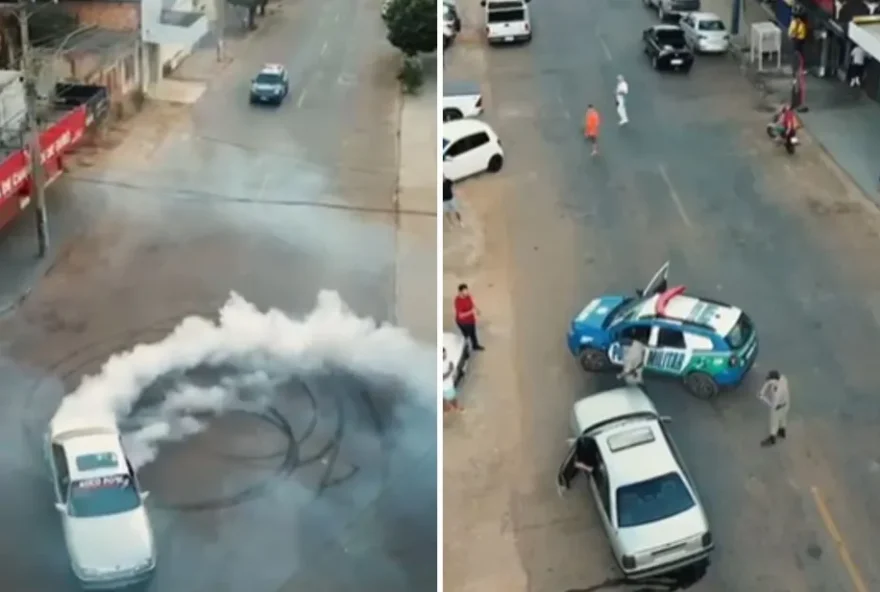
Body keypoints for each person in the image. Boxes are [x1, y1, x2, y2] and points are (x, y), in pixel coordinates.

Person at [758, 369, 790, 446]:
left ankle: (772, 438)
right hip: (786, 404)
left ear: (774, 380)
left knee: (774, 423)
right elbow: (768, 382)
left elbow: (773, 405)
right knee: (783, 418)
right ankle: (782, 432)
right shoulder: (783, 378)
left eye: (770, 379)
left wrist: (763, 398)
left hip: (777, 407)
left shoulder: (778, 392)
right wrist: (763, 390)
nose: (769, 381)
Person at [454, 283, 484, 351]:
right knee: (468, 335)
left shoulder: (468, 296)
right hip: (464, 323)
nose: (467, 292)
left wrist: (476, 309)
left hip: (470, 320)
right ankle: (470, 346)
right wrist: (471, 311)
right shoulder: (458, 302)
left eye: (467, 290)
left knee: (471, 334)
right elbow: (460, 315)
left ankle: (473, 345)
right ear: (460, 292)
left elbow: (472, 304)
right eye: (465, 291)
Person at [442, 347, 463, 413]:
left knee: (449, 400)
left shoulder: (448, 361)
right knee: (451, 401)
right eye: (443, 355)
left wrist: (452, 371)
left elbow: (451, 372)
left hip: (449, 385)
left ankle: (452, 408)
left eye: (445, 354)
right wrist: (450, 370)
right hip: (445, 387)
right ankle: (454, 409)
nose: (445, 356)